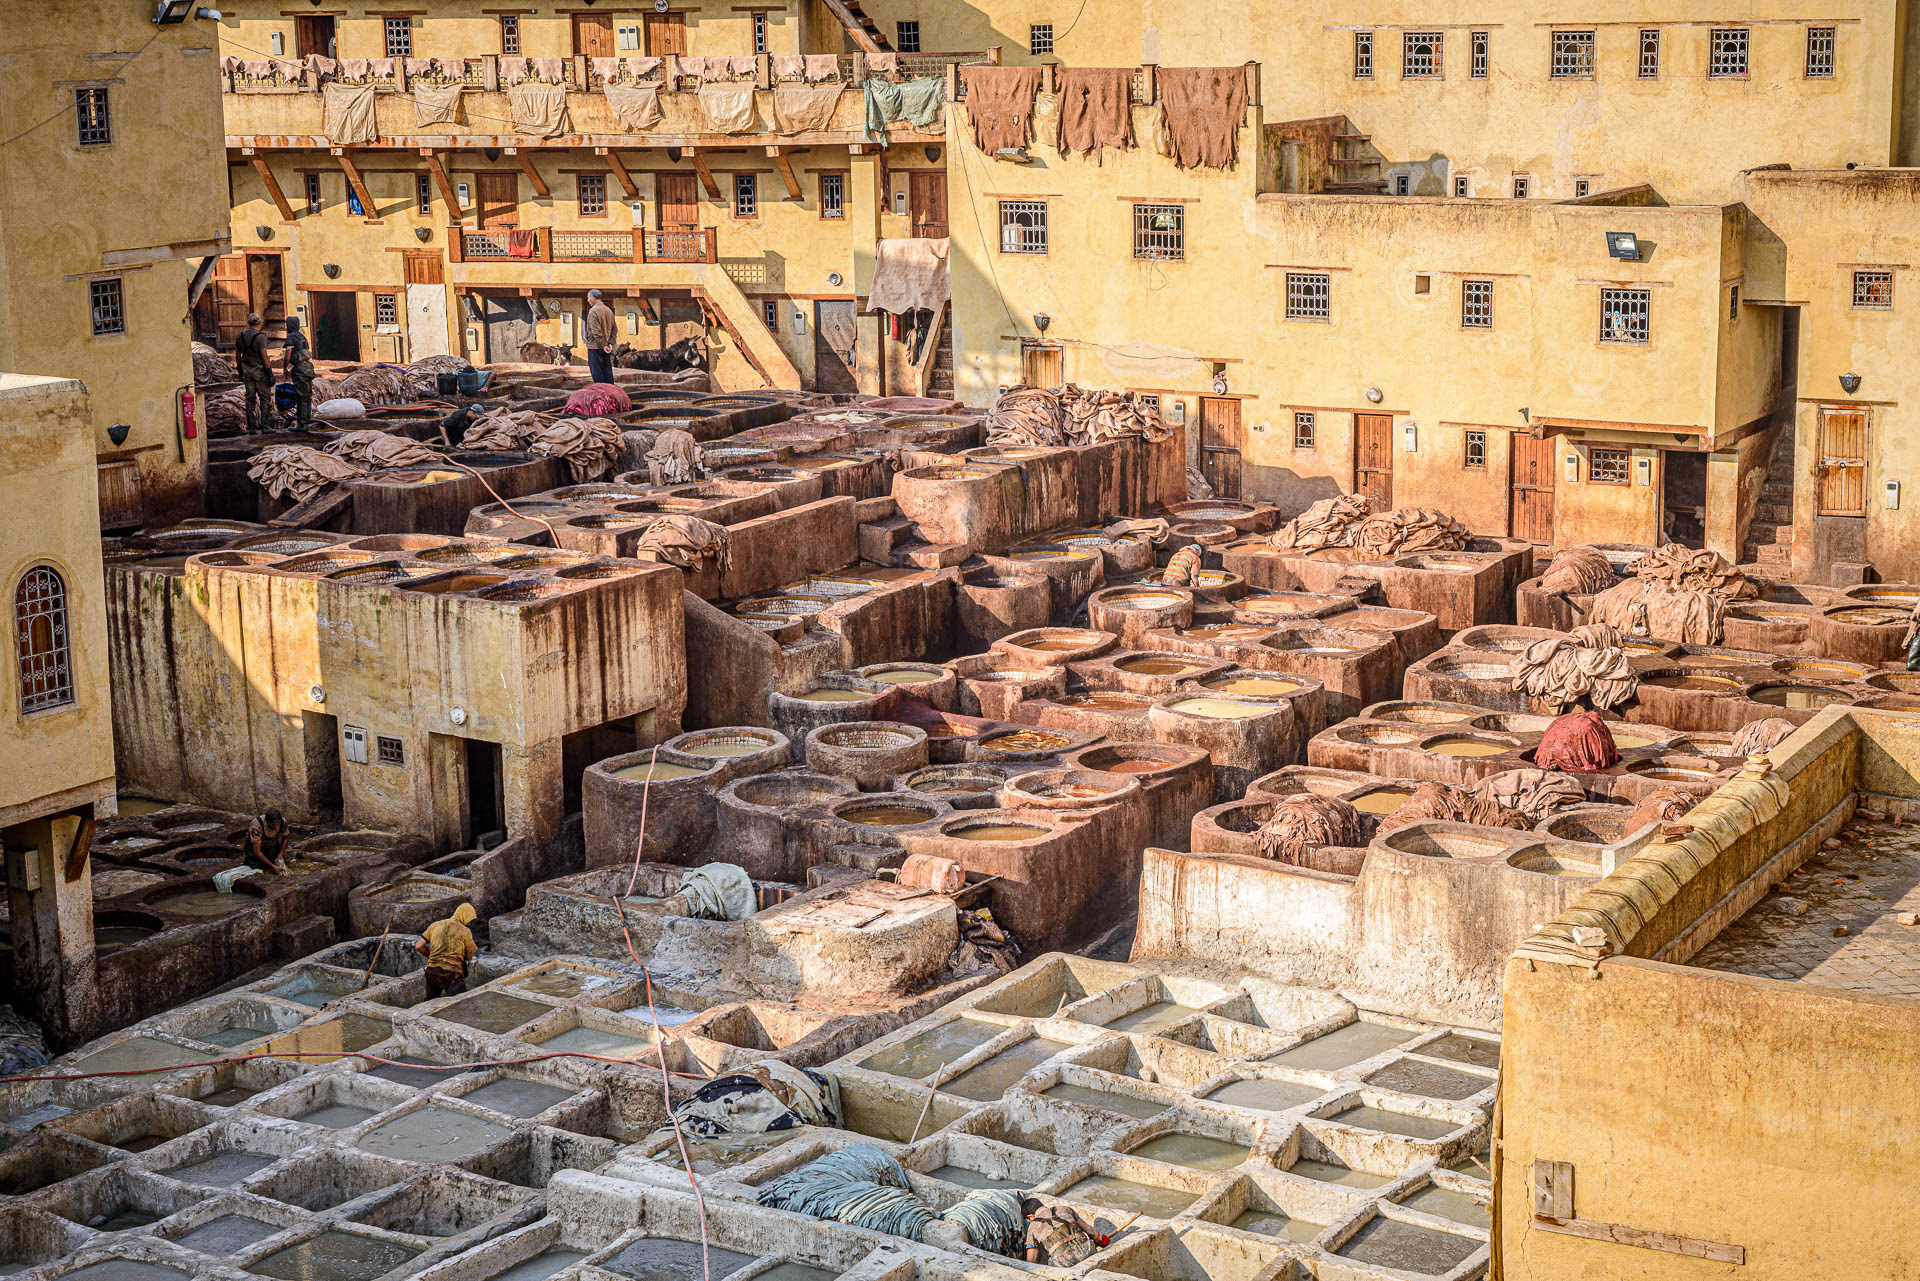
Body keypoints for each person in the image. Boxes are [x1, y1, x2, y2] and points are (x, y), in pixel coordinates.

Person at [416, 902, 479, 997]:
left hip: (432, 972)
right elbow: (469, 957)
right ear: (464, 916)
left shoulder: (435, 925)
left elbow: (418, 946)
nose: (469, 923)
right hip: (452, 975)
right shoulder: (465, 931)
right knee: (461, 1004)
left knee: (431, 1004)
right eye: (469, 920)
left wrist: (431, 955)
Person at [1022, 1197, 1105, 1267]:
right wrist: (1103, 1240)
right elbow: (1090, 1231)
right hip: (1088, 1249)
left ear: (1030, 1216)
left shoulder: (1032, 1226)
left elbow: (1032, 1261)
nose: (1030, 1222)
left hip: (1063, 1262)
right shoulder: (1065, 1209)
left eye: (1029, 1220)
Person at [234, 313, 275, 433]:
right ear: (259, 323)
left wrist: (240, 370)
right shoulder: (260, 337)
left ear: (248, 322)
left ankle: (251, 427)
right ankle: (265, 426)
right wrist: (270, 373)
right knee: (264, 398)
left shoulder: (240, 336)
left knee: (250, 399)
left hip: (247, 371)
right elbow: (264, 357)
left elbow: (237, 355)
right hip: (260, 371)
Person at [282, 314, 316, 430]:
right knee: (307, 396)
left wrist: (285, 369)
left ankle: (302, 424)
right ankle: (306, 421)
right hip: (309, 367)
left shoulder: (291, 338)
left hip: (300, 369)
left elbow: (288, 356)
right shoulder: (302, 336)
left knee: (301, 397)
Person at [243, 808, 292, 874]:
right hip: (255, 850)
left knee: (277, 862)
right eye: (273, 824)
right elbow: (257, 851)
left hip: (272, 845)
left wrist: (281, 853)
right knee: (256, 868)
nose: (275, 827)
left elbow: (286, 837)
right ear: (266, 821)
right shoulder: (257, 825)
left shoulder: (282, 822)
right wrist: (273, 866)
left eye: (277, 824)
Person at [584, 289, 617, 386]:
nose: (588, 300)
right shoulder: (608, 310)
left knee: (597, 374)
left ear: (593, 298)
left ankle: (601, 397)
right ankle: (611, 394)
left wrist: (603, 345)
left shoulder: (593, 311)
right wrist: (610, 343)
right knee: (607, 373)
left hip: (595, 347)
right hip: (606, 347)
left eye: (589, 297)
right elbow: (614, 329)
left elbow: (596, 331)